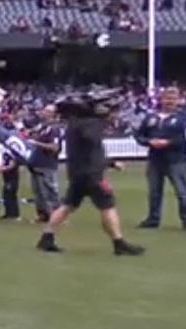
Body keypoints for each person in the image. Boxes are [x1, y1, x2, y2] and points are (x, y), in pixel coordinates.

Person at [35, 92, 145, 257]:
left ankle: (47, 238)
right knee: (107, 206)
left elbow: (87, 150)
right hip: (92, 174)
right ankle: (119, 242)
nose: (113, 114)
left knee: (67, 206)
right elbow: (93, 151)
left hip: (77, 172)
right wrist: (109, 163)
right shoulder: (92, 125)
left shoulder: (74, 123)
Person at [134, 86, 186, 230]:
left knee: (182, 191)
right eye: (167, 98)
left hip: (177, 160)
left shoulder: (184, 118)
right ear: (161, 100)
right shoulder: (151, 117)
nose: (169, 101)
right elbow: (139, 135)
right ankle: (153, 219)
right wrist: (149, 142)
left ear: (178, 100)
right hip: (155, 159)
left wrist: (169, 142)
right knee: (154, 192)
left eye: (173, 99)